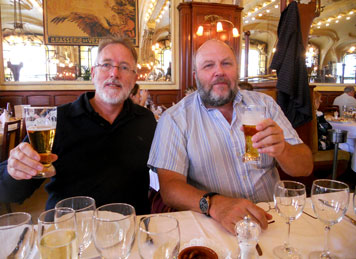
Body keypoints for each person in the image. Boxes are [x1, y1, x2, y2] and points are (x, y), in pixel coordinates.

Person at [148, 39, 313, 234]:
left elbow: (305, 167)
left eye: (227, 63)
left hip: (271, 220)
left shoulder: (265, 105)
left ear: (237, 70)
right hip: (214, 224)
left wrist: (283, 149)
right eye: (208, 65)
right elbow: (170, 189)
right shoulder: (175, 119)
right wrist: (215, 204)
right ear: (196, 76)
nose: (219, 72)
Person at [0, 37, 156, 215]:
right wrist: (13, 170)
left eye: (124, 67)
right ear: (93, 73)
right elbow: (11, 193)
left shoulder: (146, 120)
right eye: (106, 65)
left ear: (134, 78)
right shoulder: (56, 120)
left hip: (130, 228)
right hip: (70, 229)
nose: (114, 73)